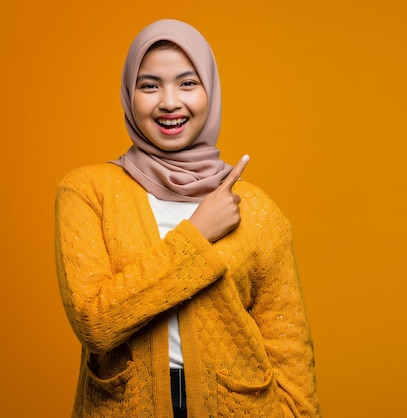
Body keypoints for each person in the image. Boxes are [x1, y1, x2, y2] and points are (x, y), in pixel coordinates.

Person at [55, 19, 320, 417]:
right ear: (129, 94)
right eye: (149, 85)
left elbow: (290, 350)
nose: (169, 102)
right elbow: (96, 323)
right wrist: (198, 233)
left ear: (209, 91)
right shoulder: (88, 191)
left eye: (187, 83)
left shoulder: (256, 209)